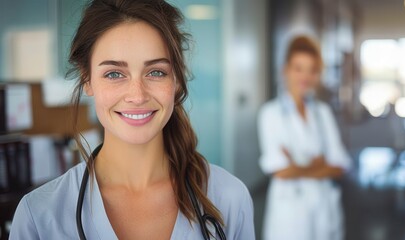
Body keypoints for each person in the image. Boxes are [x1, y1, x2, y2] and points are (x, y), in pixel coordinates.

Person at [9, 0, 254, 239]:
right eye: (114, 73)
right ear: (87, 80)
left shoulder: (228, 197)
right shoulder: (39, 215)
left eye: (156, 72)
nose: (137, 95)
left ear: (176, 80)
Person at [258, 36, 351, 240]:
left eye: (312, 70)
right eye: (298, 68)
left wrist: (298, 167)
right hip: (290, 212)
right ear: (286, 70)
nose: (305, 76)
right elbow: (280, 171)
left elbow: (340, 164)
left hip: (324, 206)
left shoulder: (323, 112)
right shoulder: (270, 113)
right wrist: (320, 164)